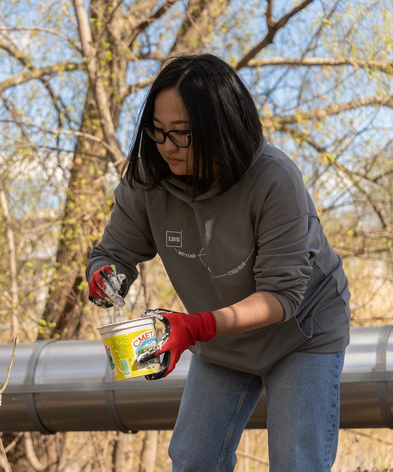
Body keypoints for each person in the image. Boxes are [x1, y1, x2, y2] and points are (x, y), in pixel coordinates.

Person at [86, 54, 351, 472]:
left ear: (221, 128)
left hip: (301, 333)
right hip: (222, 340)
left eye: (181, 135)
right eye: (157, 131)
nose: (166, 146)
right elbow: (114, 254)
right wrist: (105, 276)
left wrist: (195, 327)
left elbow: (281, 296)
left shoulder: (273, 178)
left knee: (296, 463)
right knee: (193, 459)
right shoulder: (146, 179)